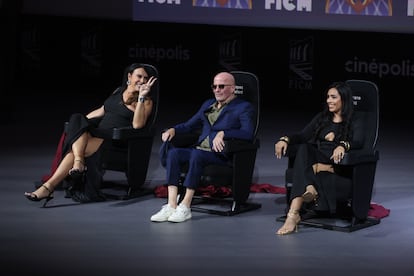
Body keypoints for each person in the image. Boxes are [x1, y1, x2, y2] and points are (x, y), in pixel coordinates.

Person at [24, 63, 157, 206]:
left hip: (112, 140)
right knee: (77, 118)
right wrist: (80, 126)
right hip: (96, 133)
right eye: (139, 76)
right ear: (129, 77)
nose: (142, 80)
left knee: (74, 150)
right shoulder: (118, 91)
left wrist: (142, 97)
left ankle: (50, 186)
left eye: (145, 78)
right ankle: (76, 164)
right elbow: (102, 110)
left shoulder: (146, 101)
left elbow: (138, 125)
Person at [151, 71, 255, 223]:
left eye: (222, 86)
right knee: (174, 154)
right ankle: (171, 205)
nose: (217, 90)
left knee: (196, 155)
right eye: (214, 86)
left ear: (233, 88)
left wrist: (224, 133)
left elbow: (248, 133)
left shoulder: (243, 107)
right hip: (200, 150)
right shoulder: (208, 104)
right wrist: (173, 129)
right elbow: (189, 125)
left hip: (221, 155)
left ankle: (185, 206)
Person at [274, 81, 364, 235]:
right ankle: (304, 195)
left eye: (333, 97)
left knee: (305, 159)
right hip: (317, 160)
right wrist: (285, 139)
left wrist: (343, 145)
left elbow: (359, 142)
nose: (329, 100)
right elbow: (302, 135)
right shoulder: (323, 118)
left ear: (344, 99)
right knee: (304, 147)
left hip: (337, 166)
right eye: (328, 97)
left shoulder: (355, 120)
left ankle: (294, 213)